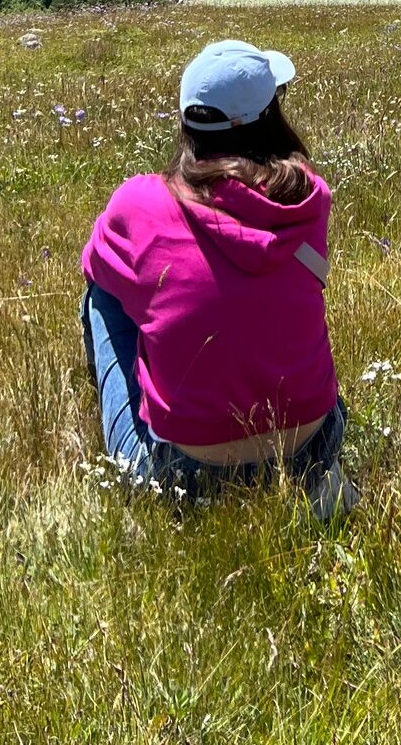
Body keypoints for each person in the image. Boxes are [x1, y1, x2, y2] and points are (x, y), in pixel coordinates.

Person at [80, 38, 353, 513]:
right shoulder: (309, 200)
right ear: (272, 121)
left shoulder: (139, 204)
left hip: (190, 474)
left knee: (101, 297)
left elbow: (96, 266)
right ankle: (316, 490)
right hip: (314, 445)